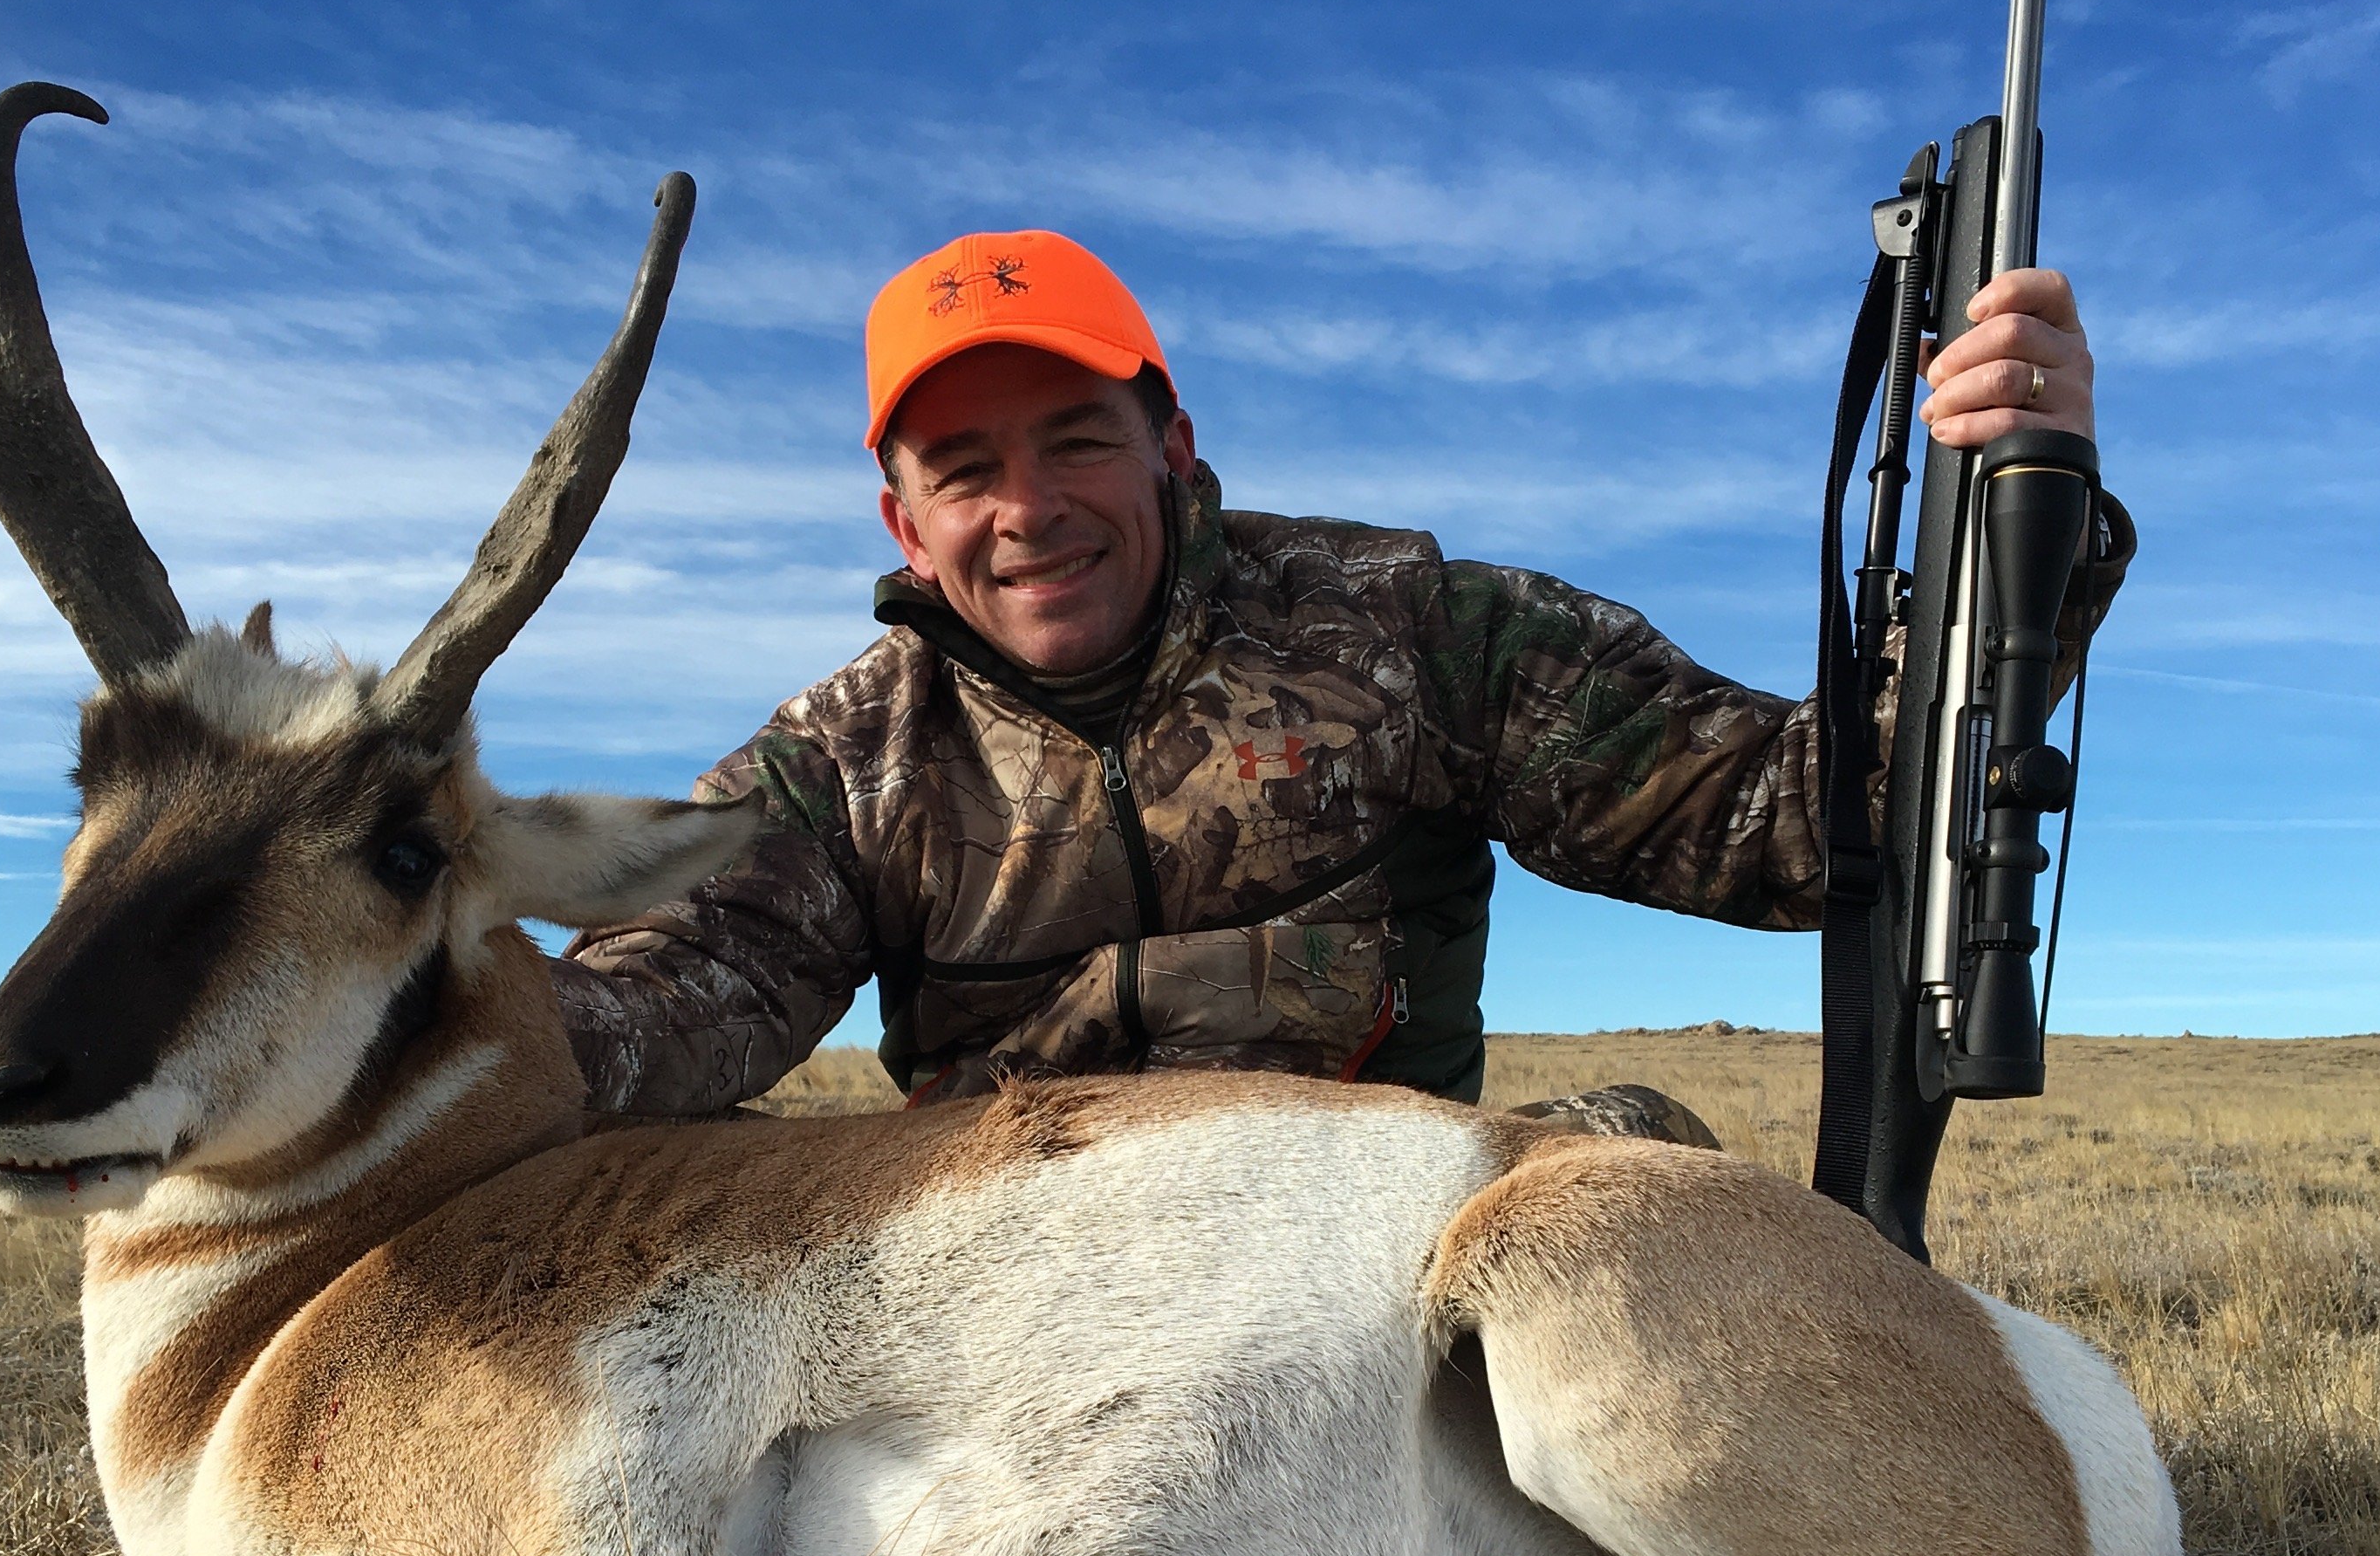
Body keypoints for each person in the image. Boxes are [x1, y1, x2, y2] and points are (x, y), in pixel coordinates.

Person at [554, 229, 2129, 1115]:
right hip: (1010, 1309)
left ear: (1172, 446)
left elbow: (1812, 820)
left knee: (1634, 1159)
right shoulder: (843, 761)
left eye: (1078, 441)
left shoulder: (1407, 627)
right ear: (904, 519)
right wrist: (425, 1010)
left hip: (1380, 1275)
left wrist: (2021, 517)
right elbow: (652, 1011)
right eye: (965, 470)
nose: (1027, 511)